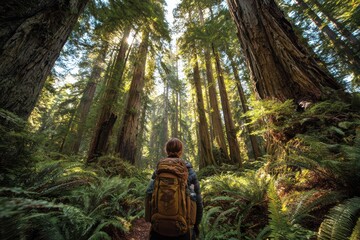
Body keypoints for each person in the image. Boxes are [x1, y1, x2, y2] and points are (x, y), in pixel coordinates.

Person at [146, 138, 203, 240]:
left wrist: (150, 219)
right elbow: (198, 201)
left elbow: (148, 193)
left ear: (166, 151)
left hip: (158, 226)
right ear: (181, 151)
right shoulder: (188, 171)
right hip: (182, 227)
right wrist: (196, 225)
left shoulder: (159, 170)